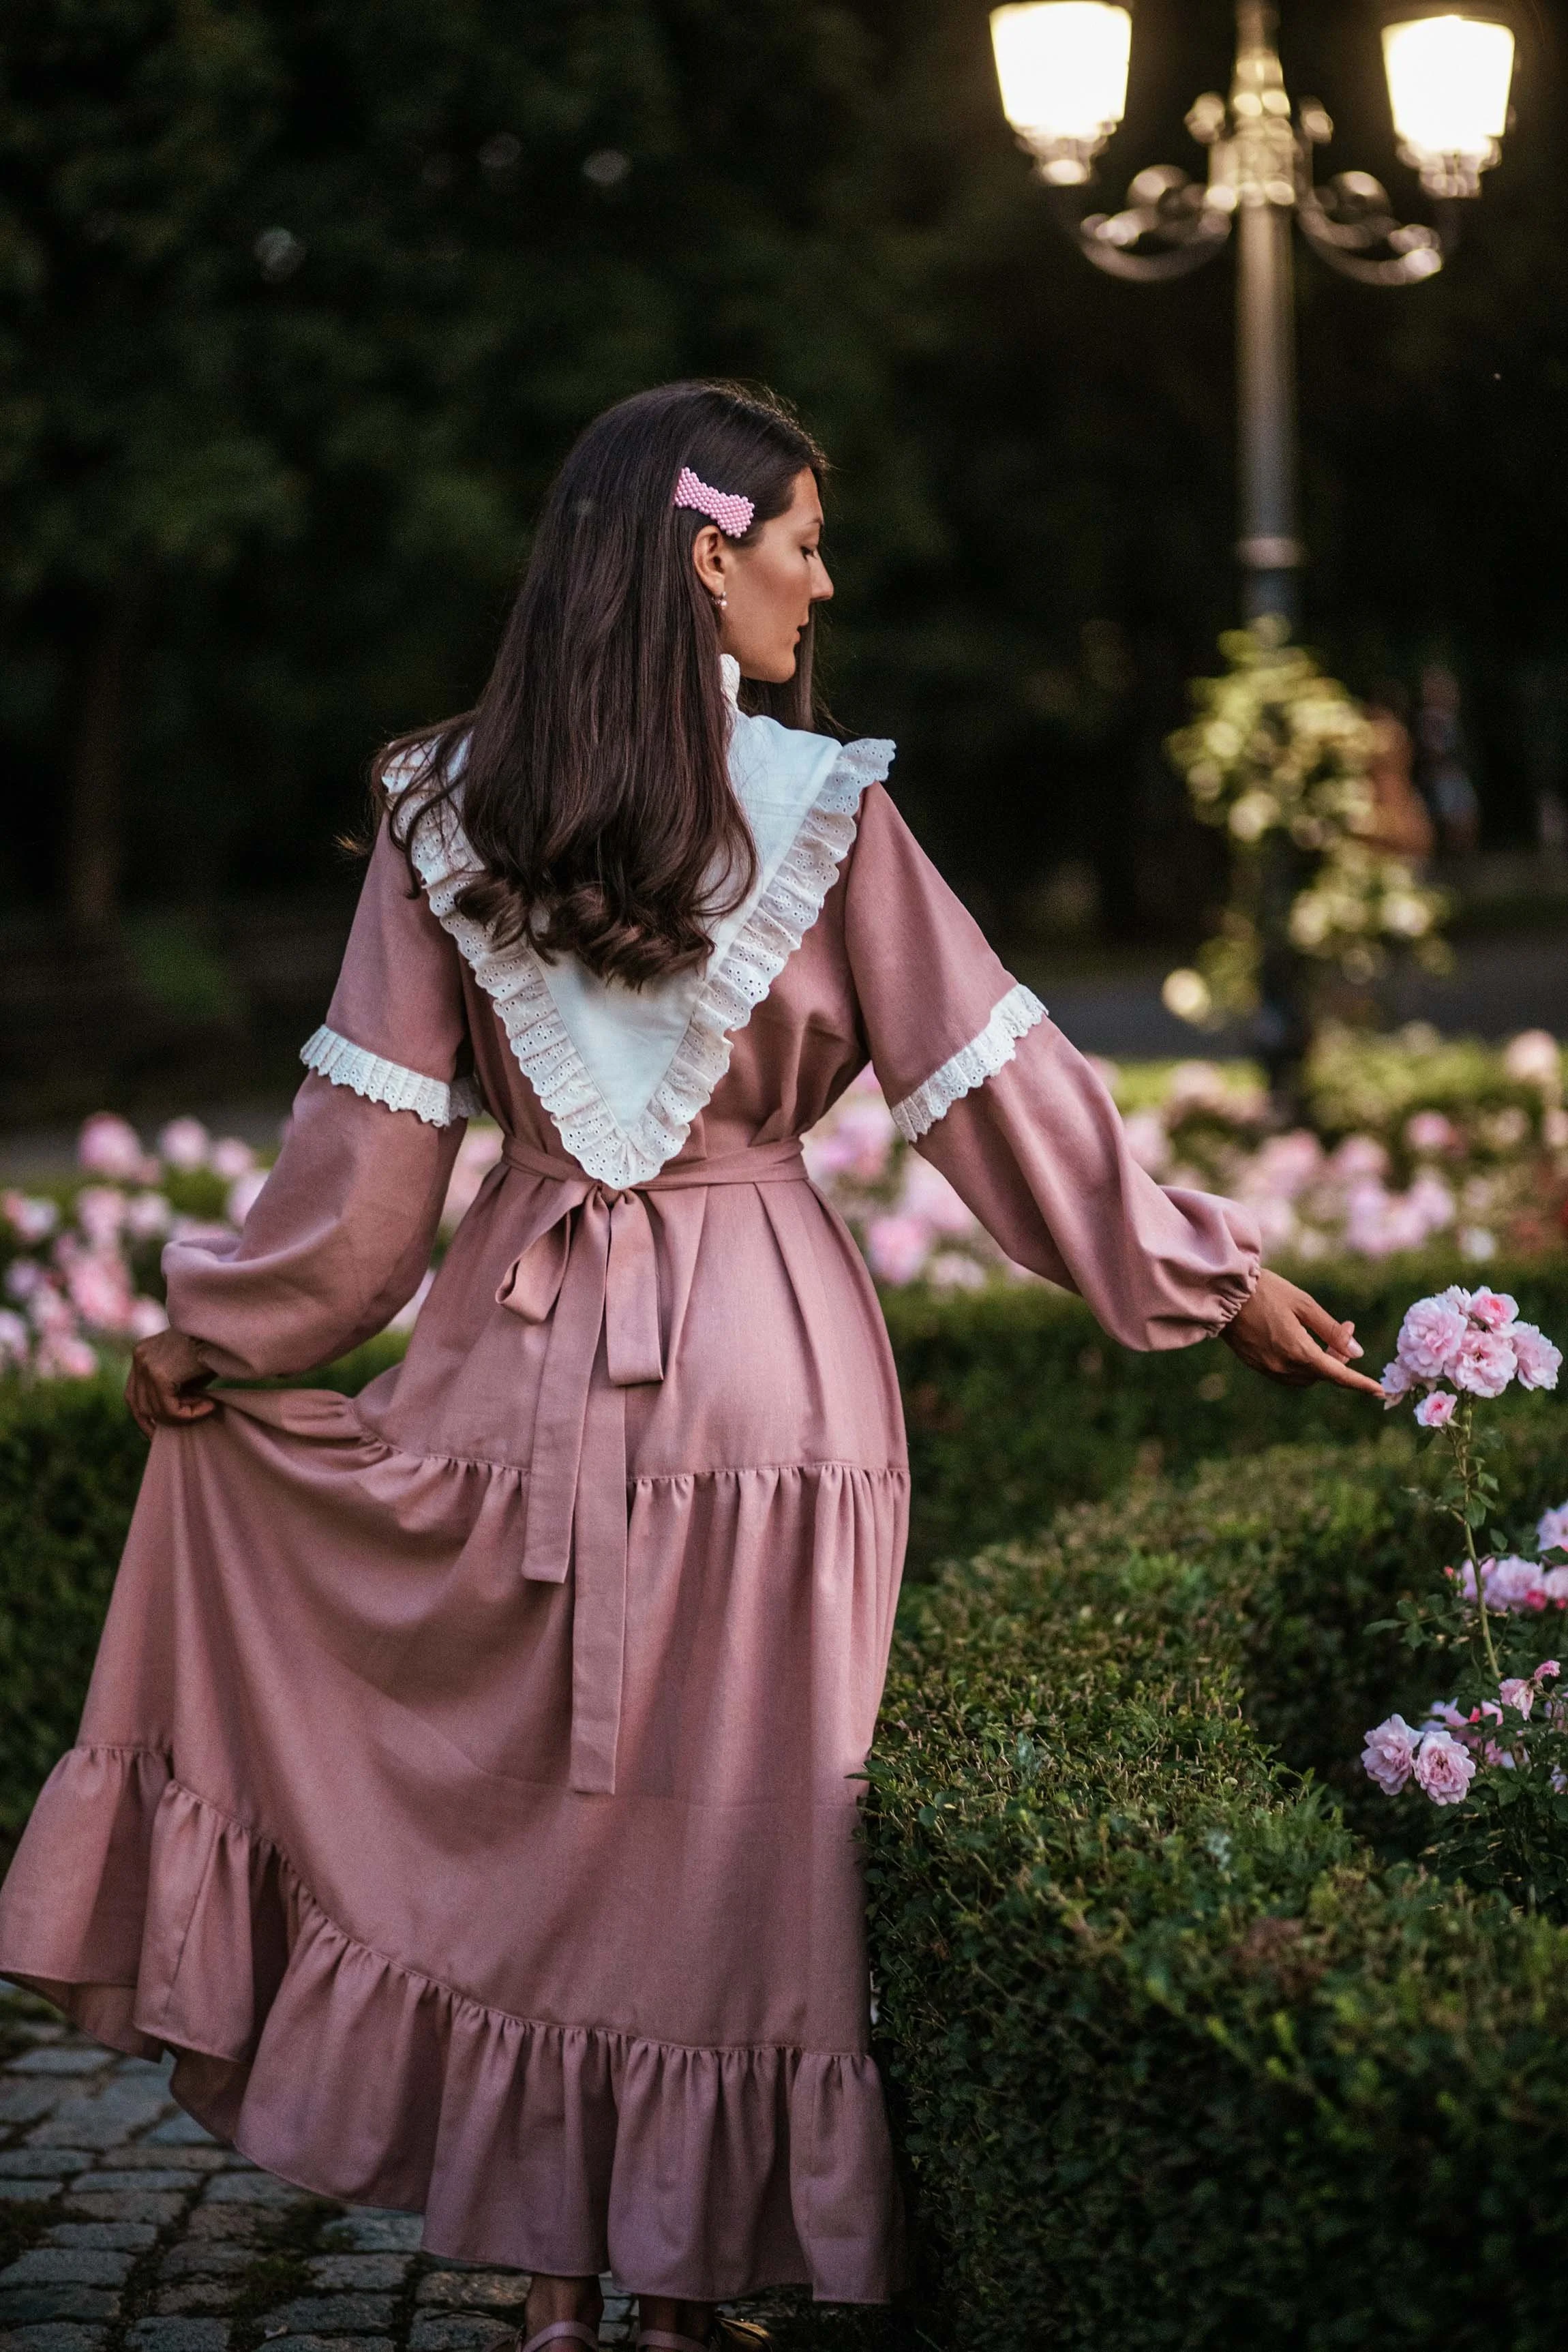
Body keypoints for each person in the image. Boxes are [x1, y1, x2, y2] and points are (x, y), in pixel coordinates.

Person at [0, 382, 1383, 2352]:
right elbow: (991, 1094)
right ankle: (680, 2295)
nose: (822, 591)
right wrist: (1207, 1277)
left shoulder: (441, 804)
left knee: (545, 1845)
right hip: (770, 1384)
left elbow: (369, 1184)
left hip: (511, 1356)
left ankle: (553, 2291)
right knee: (743, 1850)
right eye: (804, 543)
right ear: (705, 554)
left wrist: (213, 1337)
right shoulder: (830, 814)